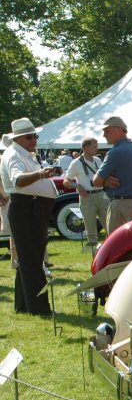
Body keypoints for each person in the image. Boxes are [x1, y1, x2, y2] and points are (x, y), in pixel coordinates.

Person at [0, 118, 57, 314]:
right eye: (29, 137)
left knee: (29, 259)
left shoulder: (23, 154)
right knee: (32, 260)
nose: (34, 140)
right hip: (26, 209)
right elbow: (18, 180)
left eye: (35, 136)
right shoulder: (14, 155)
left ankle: (24, 305)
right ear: (18, 139)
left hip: (31, 208)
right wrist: (41, 174)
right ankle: (39, 308)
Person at [92, 116, 132, 234]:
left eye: (107, 131)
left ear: (119, 130)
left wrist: (104, 181)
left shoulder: (116, 151)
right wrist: (106, 181)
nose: (104, 135)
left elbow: (96, 181)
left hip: (121, 205)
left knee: (117, 242)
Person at [64, 136, 110, 248]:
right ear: (85, 147)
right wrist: (76, 185)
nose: (97, 149)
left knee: (110, 224)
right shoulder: (76, 163)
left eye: (96, 147)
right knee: (90, 227)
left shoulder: (98, 160)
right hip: (87, 196)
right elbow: (66, 181)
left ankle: (112, 249)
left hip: (101, 194)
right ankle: (94, 252)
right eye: (94, 147)